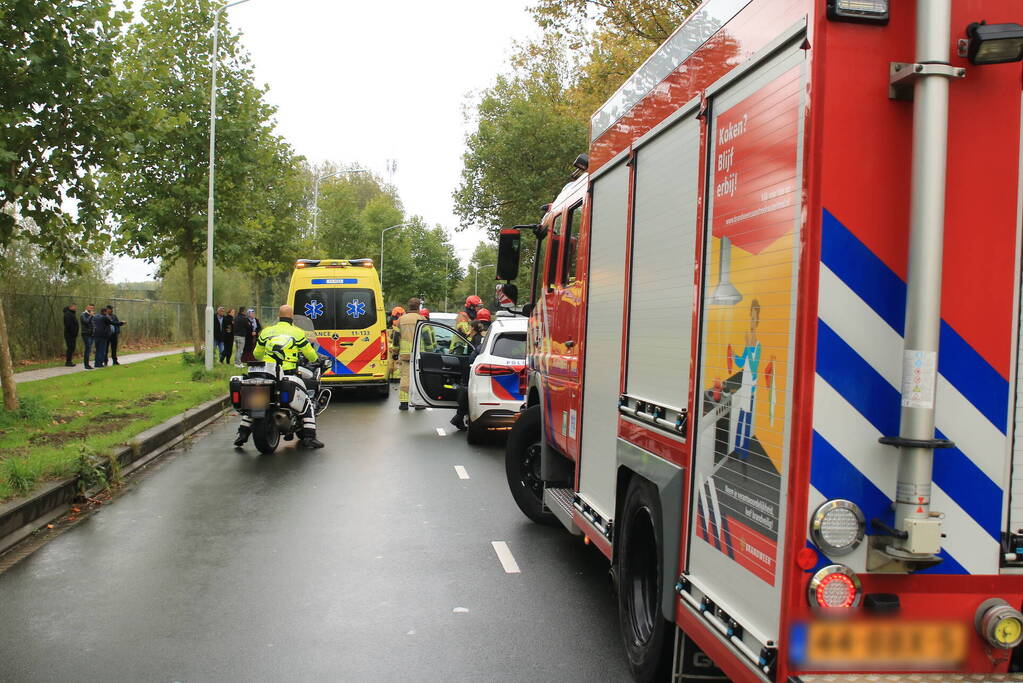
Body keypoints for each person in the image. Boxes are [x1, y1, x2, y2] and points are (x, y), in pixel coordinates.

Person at [234, 305, 325, 449]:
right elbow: (311, 355)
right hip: (287, 374)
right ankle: (309, 437)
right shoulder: (297, 333)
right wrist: (314, 358)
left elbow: (257, 354)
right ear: (292, 317)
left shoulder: (266, 332)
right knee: (307, 402)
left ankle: (242, 433)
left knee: (257, 401)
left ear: (279, 316)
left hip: (267, 373)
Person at [450, 321, 486, 431]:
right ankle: (460, 417)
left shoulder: (477, 339)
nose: (469, 328)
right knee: (466, 392)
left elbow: (475, 354)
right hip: (471, 368)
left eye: (470, 326)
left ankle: (460, 417)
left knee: (466, 392)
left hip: (473, 368)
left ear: (473, 328)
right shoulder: (475, 338)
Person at [391, 298, 425, 411]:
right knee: (418, 378)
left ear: (409, 306)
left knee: (405, 377)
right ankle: (418, 403)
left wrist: (395, 352)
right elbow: (427, 338)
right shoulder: (422, 319)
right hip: (419, 354)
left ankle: (404, 403)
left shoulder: (401, 320)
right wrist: (430, 351)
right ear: (418, 307)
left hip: (405, 354)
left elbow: (396, 338)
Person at [387, 306, 405, 382]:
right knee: (397, 361)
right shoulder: (400, 325)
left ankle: (391, 376)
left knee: (391, 361)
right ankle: (396, 377)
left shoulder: (390, 325)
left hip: (390, 346)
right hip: (396, 346)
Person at [80, 304, 96, 370]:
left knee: (89, 349)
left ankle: (87, 364)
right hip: (86, 334)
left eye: (92, 308)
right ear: (87, 307)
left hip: (91, 334)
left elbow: (93, 324)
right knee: (87, 349)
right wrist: (91, 316)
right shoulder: (83, 314)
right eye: (90, 308)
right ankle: (86, 365)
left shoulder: (91, 315)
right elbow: (86, 322)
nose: (91, 309)